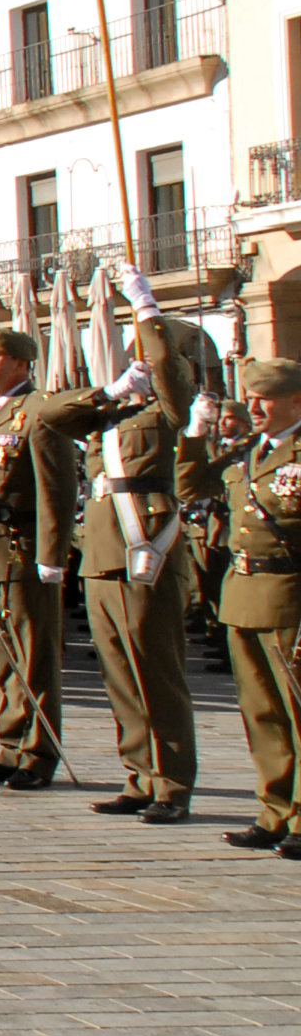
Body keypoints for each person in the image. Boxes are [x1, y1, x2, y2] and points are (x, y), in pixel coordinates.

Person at [48, 281, 198, 822]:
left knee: (156, 671)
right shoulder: (111, 415)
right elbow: (54, 418)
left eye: (145, 358)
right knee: (118, 673)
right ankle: (137, 775)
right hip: (104, 554)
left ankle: (172, 784)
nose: (140, 364)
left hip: (145, 547)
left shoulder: (170, 412)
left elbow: (166, 364)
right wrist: (110, 392)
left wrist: (145, 307)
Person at [0, 327, 77, 791]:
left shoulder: (39, 412)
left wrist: (52, 553)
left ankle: (39, 752)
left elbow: (58, 489)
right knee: (4, 656)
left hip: (19, 550)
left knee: (34, 657)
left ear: (21, 364)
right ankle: (11, 744)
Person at [217, 356, 301, 856]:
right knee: (262, 713)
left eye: (263, 398)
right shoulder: (251, 453)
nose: (254, 407)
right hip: (243, 594)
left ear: (296, 400)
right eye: (250, 397)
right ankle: (274, 809)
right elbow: (187, 485)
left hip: (291, 597)